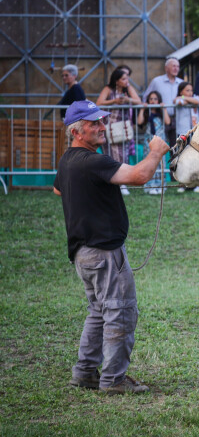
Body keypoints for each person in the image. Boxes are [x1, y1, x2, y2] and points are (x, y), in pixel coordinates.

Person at [54, 100, 170, 394]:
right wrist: (155, 151)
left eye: (102, 122)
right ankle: (114, 380)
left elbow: (57, 188)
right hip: (105, 253)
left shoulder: (69, 160)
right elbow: (140, 176)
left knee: (98, 311)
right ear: (77, 131)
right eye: (95, 124)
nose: (102, 127)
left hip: (84, 253)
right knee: (120, 311)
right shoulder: (94, 162)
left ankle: (85, 373)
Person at [97, 68, 141, 194]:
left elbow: (138, 101)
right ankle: (111, 182)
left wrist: (128, 100)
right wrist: (114, 101)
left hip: (124, 126)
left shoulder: (129, 89)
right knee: (110, 154)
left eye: (127, 78)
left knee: (123, 154)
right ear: (116, 80)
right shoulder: (108, 89)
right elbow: (99, 102)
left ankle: (122, 183)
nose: (126, 81)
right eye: (123, 78)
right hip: (110, 126)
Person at [173, 82, 199, 193]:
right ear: (181, 91)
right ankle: (183, 184)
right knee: (182, 159)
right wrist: (185, 99)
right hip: (182, 133)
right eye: (187, 90)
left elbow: (198, 102)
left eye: (191, 90)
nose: (190, 93)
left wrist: (186, 98)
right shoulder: (178, 99)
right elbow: (179, 102)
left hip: (195, 133)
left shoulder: (192, 98)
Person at [142, 58, 184, 145]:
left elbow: (185, 96)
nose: (176, 68)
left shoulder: (181, 82)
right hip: (160, 118)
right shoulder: (157, 81)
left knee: (176, 145)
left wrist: (182, 98)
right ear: (166, 68)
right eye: (173, 66)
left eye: (178, 66)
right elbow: (146, 97)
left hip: (177, 119)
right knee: (160, 144)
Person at [136, 91, 170, 195]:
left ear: (159, 100)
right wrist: (142, 109)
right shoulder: (147, 112)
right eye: (151, 99)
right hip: (148, 140)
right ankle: (150, 185)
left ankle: (160, 185)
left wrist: (164, 108)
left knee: (160, 161)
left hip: (160, 139)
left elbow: (168, 122)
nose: (153, 101)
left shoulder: (160, 112)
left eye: (155, 99)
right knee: (149, 160)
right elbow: (139, 122)